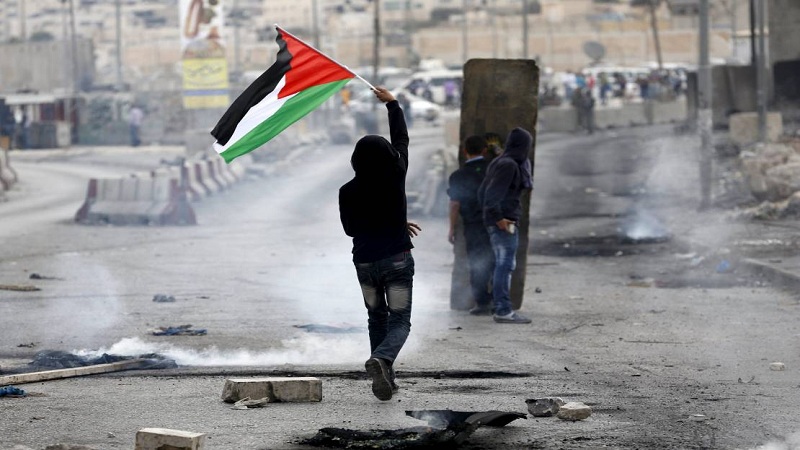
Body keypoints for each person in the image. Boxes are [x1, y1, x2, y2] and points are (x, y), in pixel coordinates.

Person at [339, 86, 421, 401]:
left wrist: (389, 222)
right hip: (396, 260)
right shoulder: (395, 173)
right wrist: (393, 104)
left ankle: (385, 375)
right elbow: (402, 139)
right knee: (399, 320)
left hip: (365, 263)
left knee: (376, 317)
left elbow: (350, 229)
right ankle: (383, 360)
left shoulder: (347, 191)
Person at [477, 127, 534, 324]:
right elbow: (490, 196)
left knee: (502, 264)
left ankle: (500, 306)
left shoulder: (501, 162)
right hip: (504, 223)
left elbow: (482, 192)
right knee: (505, 265)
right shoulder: (508, 165)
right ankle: (503, 310)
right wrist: (499, 219)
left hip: (500, 221)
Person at [448, 135, 495, 315]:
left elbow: (455, 204)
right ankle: (499, 300)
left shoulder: (458, 175)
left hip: (473, 225)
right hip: (496, 223)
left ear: (464, 151)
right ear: (485, 150)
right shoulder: (494, 170)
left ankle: (482, 302)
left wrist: (452, 228)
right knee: (498, 261)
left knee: (477, 262)